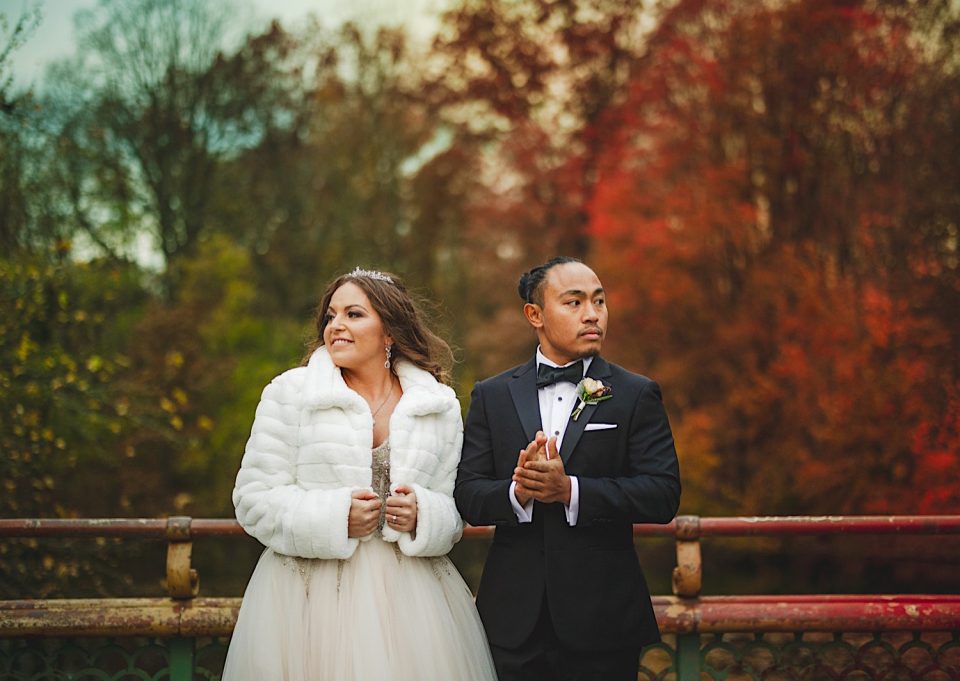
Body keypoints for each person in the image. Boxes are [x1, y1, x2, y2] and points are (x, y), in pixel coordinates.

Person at [222, 267, 497, 681]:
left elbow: (455, 509)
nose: (336, 326)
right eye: (331, 316)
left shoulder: (437, 404)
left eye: (353, 314)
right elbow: (253, 499)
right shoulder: (291, 393)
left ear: (390, 332)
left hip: (415, 603)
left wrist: (424, 514)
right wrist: (335, 517)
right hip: (305, 599)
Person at [455, 256, 681, 681]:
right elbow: (467, 493)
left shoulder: (635, 394)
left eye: (599, 301)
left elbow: (662, 493)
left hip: (604, 620)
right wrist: (517, 492)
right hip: (512, 621)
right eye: (573, 302)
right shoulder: (492, 395)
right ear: (534, 315)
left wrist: (571, 491)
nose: (592, 314)